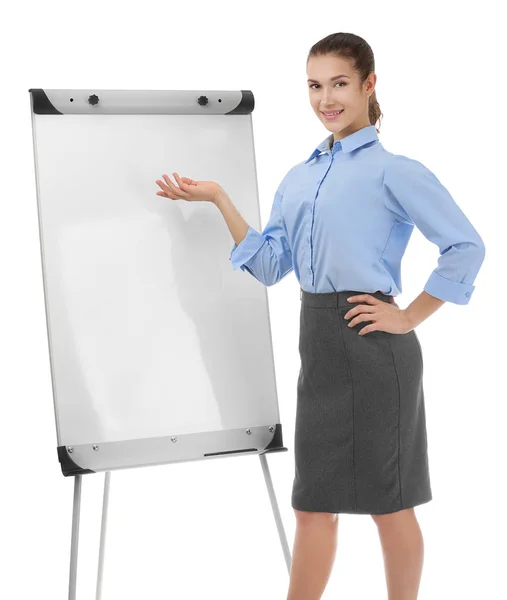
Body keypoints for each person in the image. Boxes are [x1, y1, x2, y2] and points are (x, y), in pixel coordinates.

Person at [155, 31, 486, 600]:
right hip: (319, 347)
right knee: (312, 505)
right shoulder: (300, 176)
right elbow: (268, 266)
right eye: (314, 86)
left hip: (374, 347)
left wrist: (408, 317)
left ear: (368, 85)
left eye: (339, 84)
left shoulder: (395, 170)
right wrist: (218, 199)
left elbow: (466, 247)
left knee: (390, 503)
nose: (325, 99)